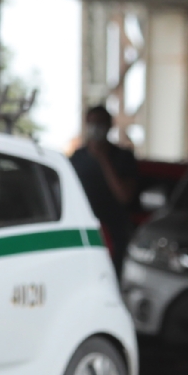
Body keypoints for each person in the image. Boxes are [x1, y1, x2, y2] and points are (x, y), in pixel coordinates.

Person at [69, 105, 139, 271]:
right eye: (92, 123)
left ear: (109, 126)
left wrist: (103, 159)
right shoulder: (77, 158)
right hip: (84, 231)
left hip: (115, 232)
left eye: (100, 123)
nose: (95, 128)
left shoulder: (123, 157)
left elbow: (124, 196)